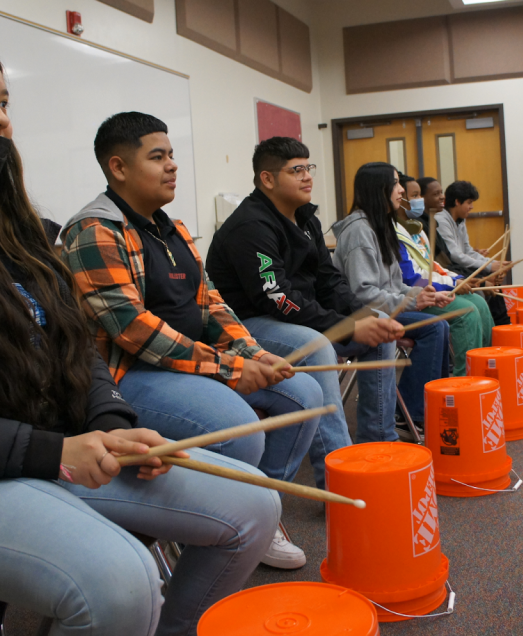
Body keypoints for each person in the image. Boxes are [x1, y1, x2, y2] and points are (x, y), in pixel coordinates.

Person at [0, 33, 279, 636]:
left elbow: (73, 347)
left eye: (5, 101)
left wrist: (110, 423)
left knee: (257, 503)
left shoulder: (20, 229)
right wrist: (53, 452)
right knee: (121, 579)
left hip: (46, 450)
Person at [61, 113, 320, 569]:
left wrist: (254, 354)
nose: (172, 166)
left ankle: (263, 508)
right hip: (129, 375)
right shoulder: (93, 231)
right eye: (157, 157)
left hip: (187, 363)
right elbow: (133, 329)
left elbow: (213, 306)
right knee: (239, 428)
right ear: (119, 168)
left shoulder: (175, 229)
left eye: (172, 155)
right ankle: (224, 529)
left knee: (303, 394)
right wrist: (227, 368)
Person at [205, 137, 404, 469]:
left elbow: (329, 281)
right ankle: (338, 471)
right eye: (296, 170)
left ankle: (378, 442)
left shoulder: (306, 219)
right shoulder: (250, 226)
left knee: (379, 325)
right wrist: (348, 326)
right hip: (246, 327)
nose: (307, 176)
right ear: (267, 179)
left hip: (293, 319)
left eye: (308, 167)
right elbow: (276, 297)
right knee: (315, 344)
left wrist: (363, 316)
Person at [332, 163, 451, 425]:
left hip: (387, 309)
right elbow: (360, 294)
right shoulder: (359, 231)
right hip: (364, 316)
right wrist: (412, 300)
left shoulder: (381, 225)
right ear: (378, 189)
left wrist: (424, 294)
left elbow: (395, 284)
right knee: (435, 327)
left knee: (437, 325)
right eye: (396, 184)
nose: (401, 191)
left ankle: (425, 405)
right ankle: (411, 412)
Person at [396, 174, 494, 376]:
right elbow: (412, 279)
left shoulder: (418, 230)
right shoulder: (394, 233)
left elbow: (433, 265)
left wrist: (459, 279)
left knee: (480, 302)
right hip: (414, 296)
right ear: (400, 198)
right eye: (415, 195)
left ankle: (485, 369)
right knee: (466, 311)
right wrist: (451, 283)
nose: (419, 201)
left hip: (431, 287)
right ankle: (464, 380)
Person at [435, 180, 505, 274]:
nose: (472, 207)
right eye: (469, 202)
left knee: (492, 277)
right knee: (485, 281)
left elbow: (468, 251)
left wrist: (494, 263)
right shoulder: (441, 220)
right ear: (457, 202)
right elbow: (455, 255)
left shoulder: (460, 219)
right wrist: (488, 266)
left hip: (459, 267)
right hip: (450, 271)